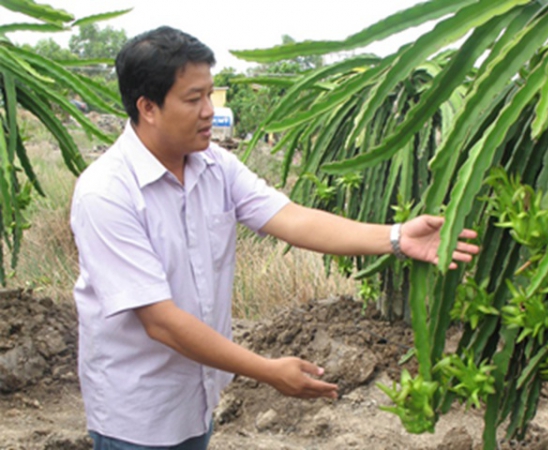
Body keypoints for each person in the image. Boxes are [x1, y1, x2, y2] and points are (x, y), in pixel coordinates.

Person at [70, 26, 479, 450]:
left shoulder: (215, 166)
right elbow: (161, 322)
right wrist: (266, 370)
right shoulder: (107, 193)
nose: (209, 110)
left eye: (210, 94)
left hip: (196, 399)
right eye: (194, 99)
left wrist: (396, 237)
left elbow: (292, 218)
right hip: (137, 414)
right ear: (148, 107)